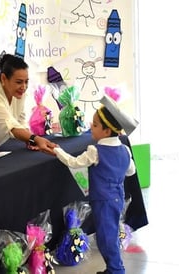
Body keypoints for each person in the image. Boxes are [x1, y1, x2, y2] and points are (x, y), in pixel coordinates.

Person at [53, 95, 137, 274]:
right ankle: (113, 268)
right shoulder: (125, 150)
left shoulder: (95, 151)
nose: (91, 126)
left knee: (106, 238)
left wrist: (57, 150)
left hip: (102, 201)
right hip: (117, 199)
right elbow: (131, 171)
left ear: (106, 131)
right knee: (110, 234)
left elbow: (74, 162)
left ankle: (116, 270)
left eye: (96, 124)